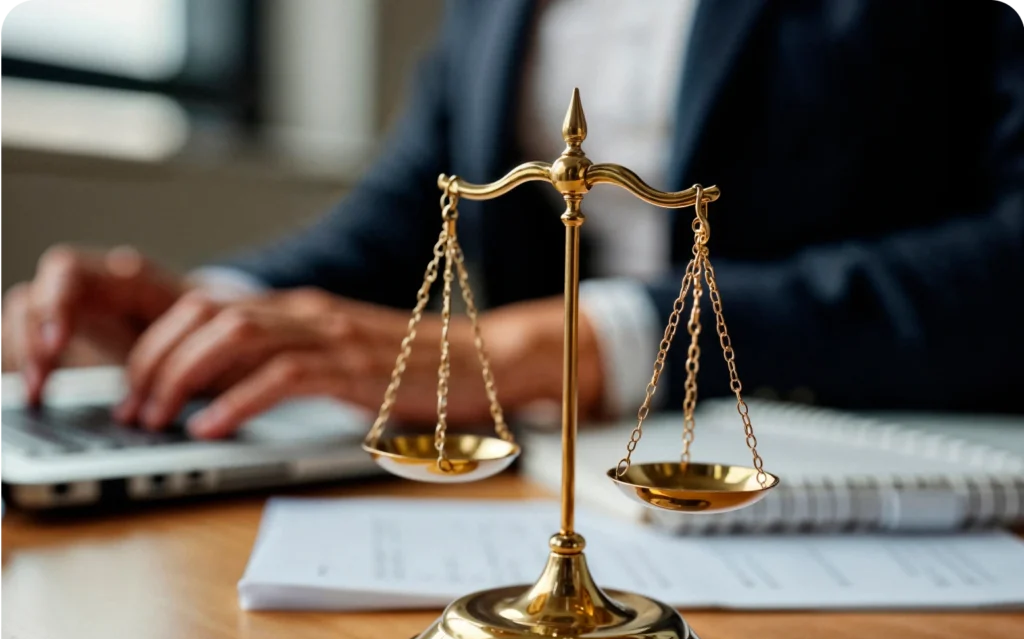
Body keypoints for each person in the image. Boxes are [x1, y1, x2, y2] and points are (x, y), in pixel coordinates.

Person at [3, 0, 1023, 440]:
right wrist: (204, 314)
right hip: (556, 480)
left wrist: (568, 344)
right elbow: (403, 221)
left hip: (862, 455)